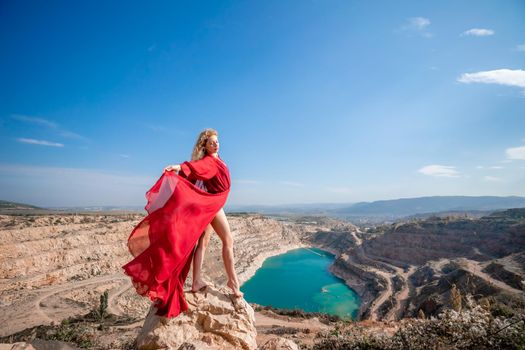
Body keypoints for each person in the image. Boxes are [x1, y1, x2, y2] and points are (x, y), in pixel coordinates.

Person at [122, 128, 243, 319]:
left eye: (217, 141)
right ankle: (233, 283)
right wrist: (177, 167)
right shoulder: (210, 161)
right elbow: (197, 167)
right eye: (211, 142)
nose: (216, 144)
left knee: (202, 243)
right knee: (228, 241)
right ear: (205, 146)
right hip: (211, 204)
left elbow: (199, 171)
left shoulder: (217, 160)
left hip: (211, 203)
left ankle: (196, 281)